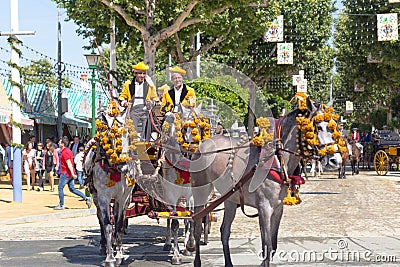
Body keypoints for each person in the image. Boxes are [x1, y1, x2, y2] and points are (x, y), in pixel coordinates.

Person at [118, 61, 160, 141]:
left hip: (146, 110)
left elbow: (156, 98)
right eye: (140, 73)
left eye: (144, 73)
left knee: (147, 125)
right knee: (133, 128)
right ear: (135, 74)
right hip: (133, 110)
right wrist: (125, 103)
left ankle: (145, 144)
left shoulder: (149, 85)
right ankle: (134, 144)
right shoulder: (128, 84)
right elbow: (121, 97)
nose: (142, 76)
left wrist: (152, 102)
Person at [54, 136, 91, 210]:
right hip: (69, 173)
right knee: (72, 189)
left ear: (63, 144)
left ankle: (61, 204)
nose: (58, 143)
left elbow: (69, 164)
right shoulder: (68, 150)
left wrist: (72, 173)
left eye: (60, 142)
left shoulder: (65, 152)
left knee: (60, 188)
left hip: (66, 173)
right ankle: (86, 198)